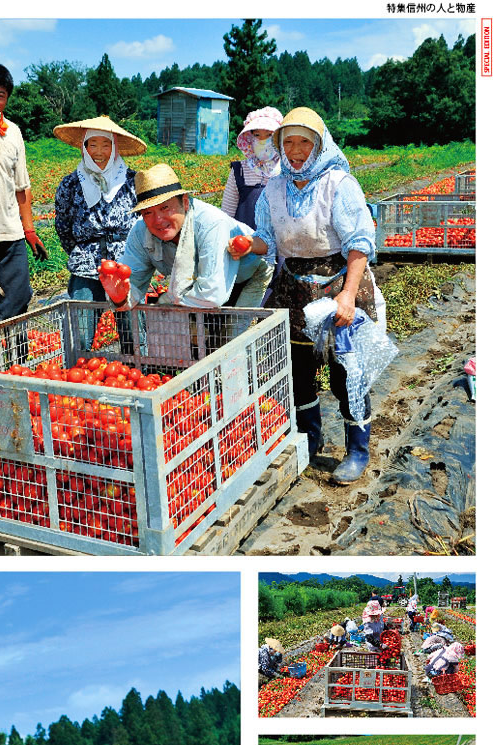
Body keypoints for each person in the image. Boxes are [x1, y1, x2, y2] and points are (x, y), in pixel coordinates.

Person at [226, 107, 385, 482]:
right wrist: (246, 245)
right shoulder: (275, 187)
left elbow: (359, 244)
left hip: (337, 280)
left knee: (347, 371)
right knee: (298, 372)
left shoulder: (338, 184)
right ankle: (310, 440)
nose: (295, 150)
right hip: (293, 287)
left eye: (304, 142)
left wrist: (347, 296)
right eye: (288, 142)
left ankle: (357, 449)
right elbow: (266, 238)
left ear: (318, 145)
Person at [99, 163, 273, 314]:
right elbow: (131, 285)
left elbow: (212, 295)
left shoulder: (210, 223)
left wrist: (166, 300)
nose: (158, 220)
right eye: (148, 212)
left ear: (185, 202)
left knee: (232, 339)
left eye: (165, 208)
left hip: (249, 274)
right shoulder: (140, 232)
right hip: (202, 286)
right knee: (194, 340)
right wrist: (120, 297)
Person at [53, 116, 146, 350]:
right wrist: (83, 249)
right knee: (80, 335)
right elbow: (63, 226)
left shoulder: (133, 181)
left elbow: (146, 221)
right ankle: (79, 376)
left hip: (127, 263)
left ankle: (139, 374)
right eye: (92, 145)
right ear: (84, 148)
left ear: (114, 148)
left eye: (105, 144)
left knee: (133, 332)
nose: (99, 151)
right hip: (85, 264)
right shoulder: (71, 184)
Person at [0, 62, 47, 319]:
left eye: (0, 95)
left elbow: (21, 188)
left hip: (10, 235)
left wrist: (29, 231)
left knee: (16, 304)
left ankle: (18, 358)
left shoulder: (13, 132)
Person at [220, 107, 283, 229]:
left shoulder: (287, 171)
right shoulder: (240, 170)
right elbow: (226, 214)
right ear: (249, 138)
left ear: (278, 139)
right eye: (257, 135)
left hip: (278, 243)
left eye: (269, 135)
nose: (263, 141)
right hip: (243, 241)